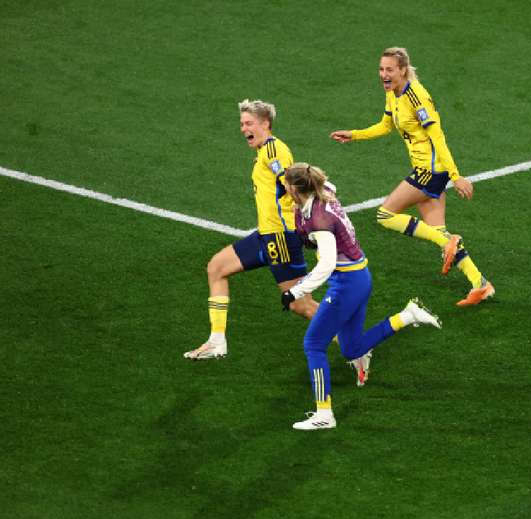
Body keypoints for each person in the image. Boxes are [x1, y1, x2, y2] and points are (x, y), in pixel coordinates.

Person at [280, 163, 442, 430]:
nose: (284, 187)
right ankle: (407, 315)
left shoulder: (319, 219)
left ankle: (324, 414)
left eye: (287, 184)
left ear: (297, 188)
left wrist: (295, 292)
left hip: (346, 283)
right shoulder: (323, 193)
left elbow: (326, 264)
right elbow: (329, 189)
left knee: (314, 344)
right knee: (351, 349)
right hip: (358, 277)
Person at [329, 46, 494, 307]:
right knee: (437, 229)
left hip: (431, 171)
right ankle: (480, 283)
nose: (384, 74)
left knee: (385, 215)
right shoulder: (393, 94)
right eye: (381, 69)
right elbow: (386, 125)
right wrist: (354, 134)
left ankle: (448, 241)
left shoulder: (417, 97)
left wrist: (456, 176)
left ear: (403, 70)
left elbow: (437, 136)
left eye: (390, 70)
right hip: (427, 170)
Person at [184, 99, 318, 360]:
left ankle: (354, 345)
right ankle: (216, 341)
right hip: (265, 235)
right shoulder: (266, 151)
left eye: (249, 123)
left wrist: (308, 222)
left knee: (301, 305)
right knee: (216, 268)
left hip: (280, 237)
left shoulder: (273, 151)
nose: (243, 128)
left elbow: (292, 186)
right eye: (242, 123)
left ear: (265, 124)